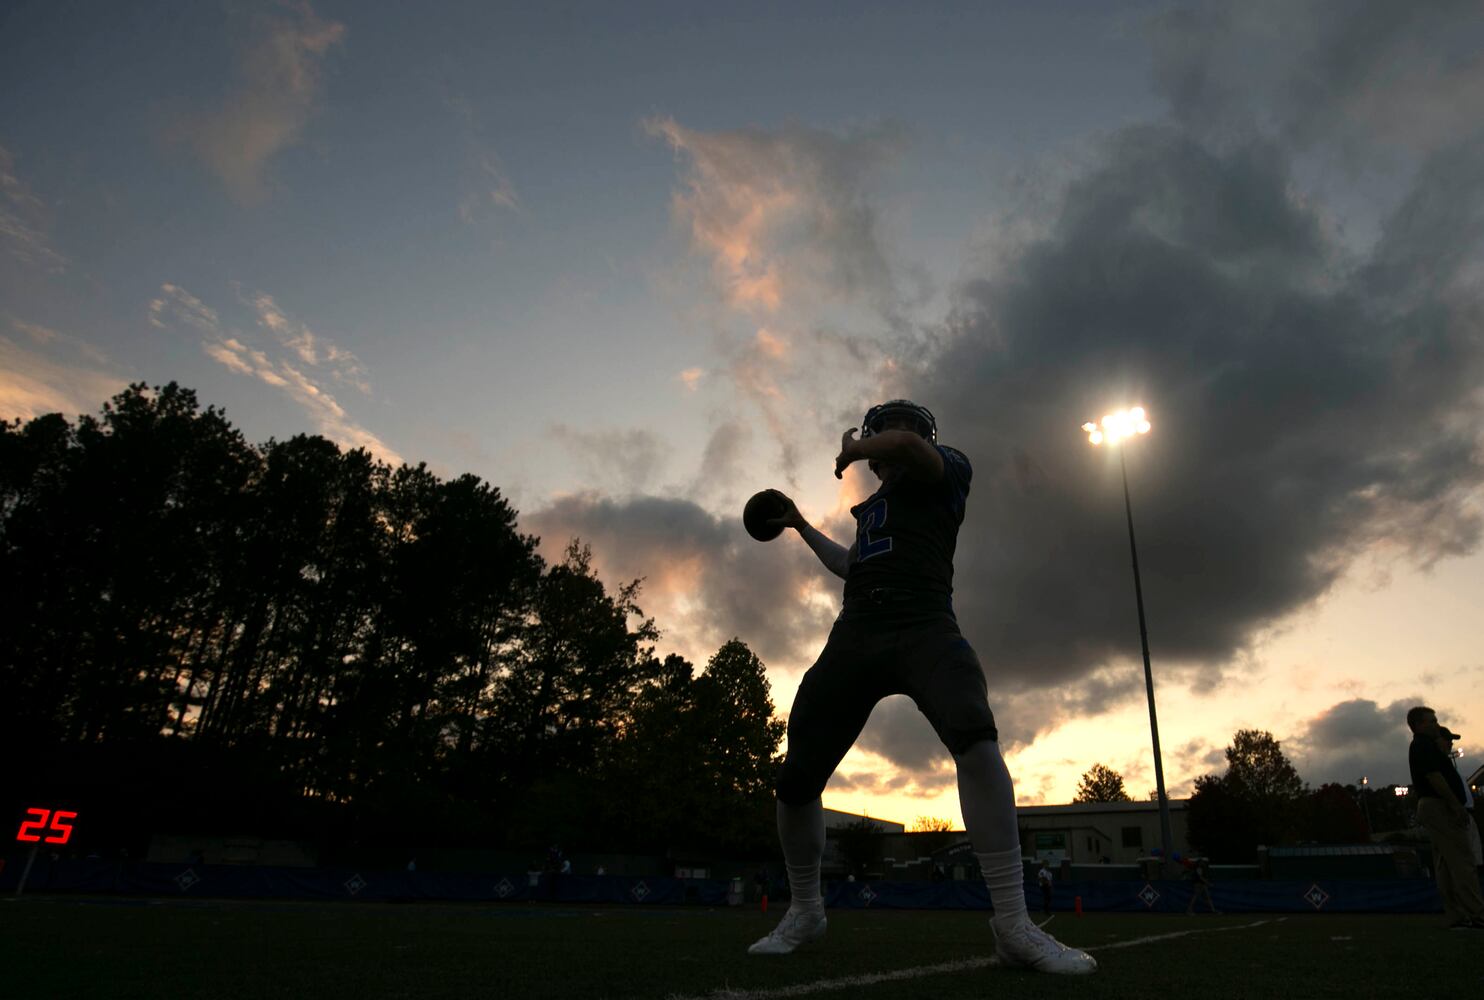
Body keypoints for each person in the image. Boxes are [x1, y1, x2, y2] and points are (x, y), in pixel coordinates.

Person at [746, 399, 1096, 974]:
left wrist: (857, 447)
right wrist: (801, 527)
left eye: (910, 427)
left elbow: (910, 449)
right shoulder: (873, 506)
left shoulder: (946, 466)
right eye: (891, 427)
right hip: (857, 630)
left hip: (924, 622)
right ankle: (806, 911)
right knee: (797, 777)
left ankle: (1013, 923)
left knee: (975, 738)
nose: (903, 434)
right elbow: (851, 565)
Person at [1406, 706, 1484, 929]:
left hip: (1434, 806)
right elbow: (1435, 777)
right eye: (1430, 721)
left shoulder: (1425, 746)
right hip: (1439, 806)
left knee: (1446, 864)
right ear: (1418, 725)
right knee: (1462, 861)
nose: (1435, 725)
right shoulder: (1423, 745)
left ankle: (1458, 916)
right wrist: (1454, 804)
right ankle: (1477, 914)